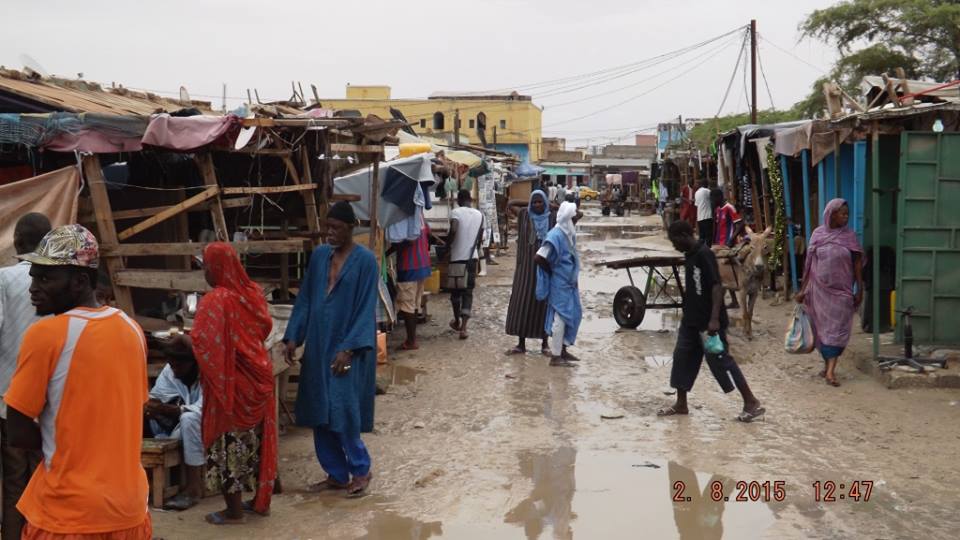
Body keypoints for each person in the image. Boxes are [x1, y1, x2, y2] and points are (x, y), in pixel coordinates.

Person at [5, 224, 152, 539]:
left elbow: (17, 429)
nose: (33, 286)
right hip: (129, 511)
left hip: (67, 515)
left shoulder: (46, 335)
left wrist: (62, 449)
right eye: (33, 275)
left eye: (45, 278)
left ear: (80, 281)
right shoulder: (131, 329)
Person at [283, 201, 378, 498]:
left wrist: (348, 348)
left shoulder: (366, 262)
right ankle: (336, 473)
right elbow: (307, 299)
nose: (329, 233)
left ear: (351, 228)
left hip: (349, 347)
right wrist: (293, 336)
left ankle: (360, 469)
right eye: (327, 227)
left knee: (343, 408)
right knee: (319, 409)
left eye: (336, 228)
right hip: (318, 343)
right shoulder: (320, 256)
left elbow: (366, 310)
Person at [191, 242, 277, 524]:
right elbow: (264, 327)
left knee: (229, 444)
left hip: (233, 385)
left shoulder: (217, 300)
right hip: (259, 377)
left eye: (205, 266)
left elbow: (202, 342)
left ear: (215, 267)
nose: (204, 272)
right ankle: (257, 500)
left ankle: (233, 510)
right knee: (254, 442)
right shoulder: (251, 293)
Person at [657, 220, 765, 422]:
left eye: (674, 241)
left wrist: (714, 319)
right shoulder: (689, 256)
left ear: (683, 236)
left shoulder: (704, 254)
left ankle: (751, 401)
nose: (674, 246)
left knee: (721, 361)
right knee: (682, 359)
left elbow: (716, 287)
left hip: (708, 323)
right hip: (691, 320)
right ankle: (681, 404)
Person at [0, 213, 49, 540]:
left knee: (16, 483)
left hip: (11, 400)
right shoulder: (61, 281)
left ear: (17, 243)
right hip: (52, 403)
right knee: (47, 481)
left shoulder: (4, 279)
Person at [796, 199, 863, 387]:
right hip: (818, 292)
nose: (846, 217)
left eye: (847, 214)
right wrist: (803, 290)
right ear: (831, 214)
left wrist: (860, 289)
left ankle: (831, 371)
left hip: (842, 292)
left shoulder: (849, 236)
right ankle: (828, 367)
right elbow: (809, 265)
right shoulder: (818, 235)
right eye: (842, 213)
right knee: (822, 331)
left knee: (838, 330)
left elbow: (857, 263)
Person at [145, 335, 204, 511]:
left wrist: (168, 410)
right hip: (173, 426)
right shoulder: (171, 370)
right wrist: (151, 406)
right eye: (172, 365)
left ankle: (193, 488)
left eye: (179, 366)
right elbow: (157, 397)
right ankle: (144, 481)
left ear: (193, 363)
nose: (174, 370)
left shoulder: (208, 373)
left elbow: (203, 409)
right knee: (140, 412)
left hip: (206, 425)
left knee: (189, 419)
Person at [505, 190, 555, 355]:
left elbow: (577, 213)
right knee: (522, 303)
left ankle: (545, 344)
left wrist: (551, 205)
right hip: (525, 269)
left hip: (545, 267)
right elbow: (511, 204)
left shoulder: (552, 217)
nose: (537, 205)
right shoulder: (524, 215)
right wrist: (529, 202)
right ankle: (521, 344)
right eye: (535, 202)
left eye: (541, 202)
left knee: (544, 306)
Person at [535, 202, 583, 367]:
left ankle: (562, 349)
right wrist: (552, 272)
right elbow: (539, 257)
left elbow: (579, 214)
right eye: (573, 218)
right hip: (559, 283)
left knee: (574, 314)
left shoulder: (567, 233)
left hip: (569, 284)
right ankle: (556, 356)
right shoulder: (555, 235)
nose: (575, 220)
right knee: (560, 319)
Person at [390, 213, 432, 350]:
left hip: (409, 264)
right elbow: (428, 231)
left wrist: (390, 248)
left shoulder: (402, 216)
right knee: (414, 303)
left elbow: (409, 240)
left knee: (407, 304)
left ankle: (411, 341)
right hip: (422, 263)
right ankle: (412, 338)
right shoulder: (419, 213)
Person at [446, 190, 484, 340]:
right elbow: (480, 238)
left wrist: (447, 246)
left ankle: (457, 320)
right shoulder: (480, 215)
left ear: (458, 200)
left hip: (456, 258)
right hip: (472, 259)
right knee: (468, 292)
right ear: (470, 199)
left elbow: (454, 229)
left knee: (455, 293)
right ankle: (464, 328)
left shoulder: (455, 212)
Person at [710, 188, 747, 309]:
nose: (711, 201)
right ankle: (733, 300)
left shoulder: (729, 208)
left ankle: (736, 296)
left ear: (718, 198)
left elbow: (740, 223)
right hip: (719, 243)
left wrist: (732, 239)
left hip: (728, 243)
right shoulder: (717, 209)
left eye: (712, 199)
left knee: (728, 269)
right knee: (722, 271)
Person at [694, 179, 713, 244]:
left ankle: (700, 248)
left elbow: (696, 204)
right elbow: (713, 200)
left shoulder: (696, 192)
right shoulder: (707, 191)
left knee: (702, 235)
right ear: (707, 184)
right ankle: (708, 248)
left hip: (700, 217)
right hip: (707, 216)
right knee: (708, 235)